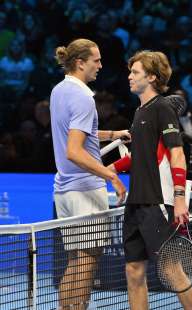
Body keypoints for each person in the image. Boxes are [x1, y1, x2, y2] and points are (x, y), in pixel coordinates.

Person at [108, 50, 192, 310]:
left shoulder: (163, 107)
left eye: (135, 72)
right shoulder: (139, 112)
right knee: (134, 271)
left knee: (171, 270)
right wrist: (107, 168)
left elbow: (177, 153)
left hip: (159, 202)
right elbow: (141, 156)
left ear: (151, 77)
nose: (129, 77)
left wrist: (180, 198)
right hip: (136, 204)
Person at [50, 38, 130, 310]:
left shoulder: (59, 90)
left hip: (64, 190)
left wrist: (112, 134)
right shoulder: (84, 96)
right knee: (87, 259)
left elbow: (77, 134)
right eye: (96, 60)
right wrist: (112, 176)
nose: (100, 65)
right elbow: (74, 150)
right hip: (85, 189)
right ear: (80, 62)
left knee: (76, 258)